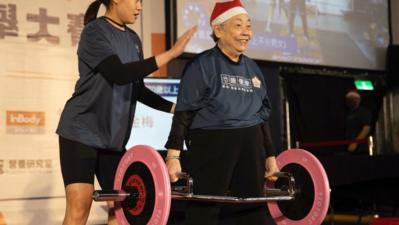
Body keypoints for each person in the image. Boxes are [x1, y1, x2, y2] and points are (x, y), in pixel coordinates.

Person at [56, 0, 196, 224]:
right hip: (80, 133)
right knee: (79, 207)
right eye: (136, 0)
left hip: (114, 141)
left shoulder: (133, 39)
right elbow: (119, 74)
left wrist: (175, 109)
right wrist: (170, 54)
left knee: (122, 210)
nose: (140, 7)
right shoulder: (94, 32)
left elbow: (137, 88)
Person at [164, 1, 280, 224]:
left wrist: (270, 156)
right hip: (211, 145)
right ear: (218, 30)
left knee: (253, 208)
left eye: (249, 25)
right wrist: (173, 155)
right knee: (204, 211)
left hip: (251, 146)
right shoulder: (201, 65)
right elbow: (184, 112)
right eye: (238, 26)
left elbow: (261, 116)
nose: (246, 32)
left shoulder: (253, 69)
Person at [344, 89, 372, 154]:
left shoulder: (363, 112)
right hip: (349, 146)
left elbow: (366, 128)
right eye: (349, 99)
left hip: (360, 148)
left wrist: (355, 143)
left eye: (353, 99)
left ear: (358, 99)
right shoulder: (348, 113)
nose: (351, 101)